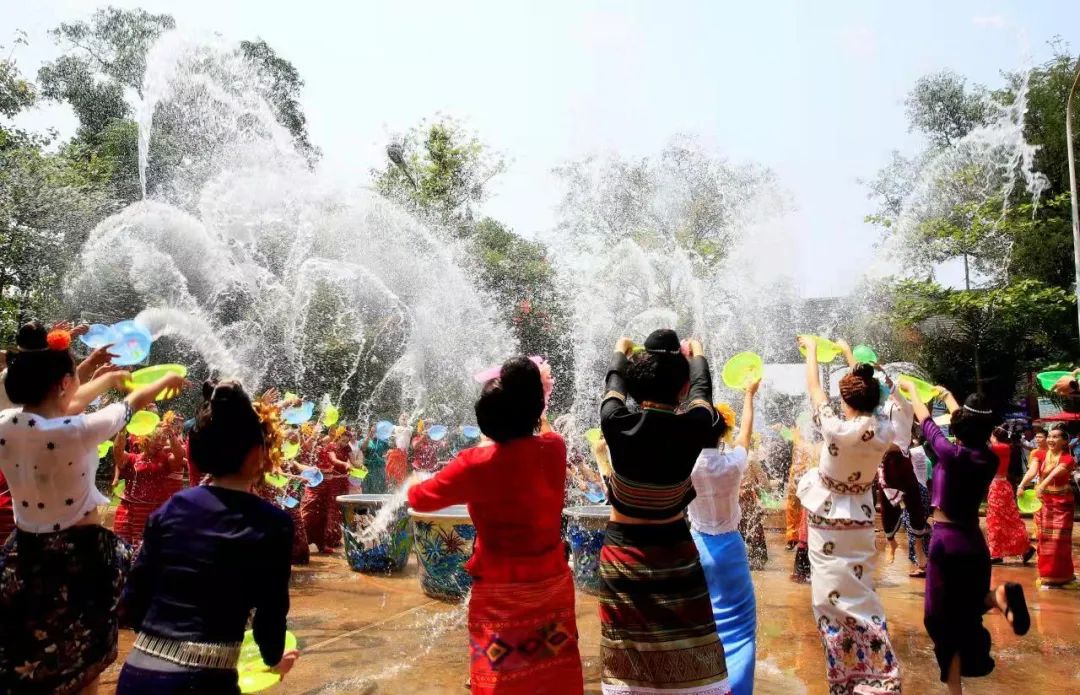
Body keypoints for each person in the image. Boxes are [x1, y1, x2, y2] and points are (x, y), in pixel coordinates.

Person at [0, 321, 186, 695]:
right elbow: (129, 407)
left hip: (23, 553)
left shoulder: (6, 424)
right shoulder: (76, 430)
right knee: (84, 662)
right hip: (79, 560)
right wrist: (160, 384)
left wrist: (107, 377)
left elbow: (64, 405)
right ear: (63, 383)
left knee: (35, 656)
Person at [407, 357, 582, 695]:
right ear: (535, 409)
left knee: (500, 677)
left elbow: (419, 498)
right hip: (551, 584)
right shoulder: (555, 449)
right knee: (553, 674)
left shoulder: (474, 464)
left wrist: (416, 480)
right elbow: (542, 430)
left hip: (500, 592)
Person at [116, 379, 299, 693]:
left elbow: (132, 602)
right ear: (259, 453)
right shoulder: (272, 524)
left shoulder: (171, 508)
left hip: (136, 674)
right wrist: (272, 662)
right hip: (202, 681)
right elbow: (271, 616)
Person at [597, 330, 731, 694]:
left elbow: (613, 387)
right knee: (689, 637)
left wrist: (619, 351)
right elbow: (703, 390)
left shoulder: (615, 422)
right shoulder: (696, 425)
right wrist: (698, 354)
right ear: (682, 387)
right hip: (675, 551)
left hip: (624, 554)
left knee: (626, 644)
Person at [903, 382, 1030, 694]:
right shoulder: (985, 458)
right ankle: (997, 597)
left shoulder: (951, 454)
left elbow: (926, 421)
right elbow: (964, 427)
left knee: (938, 618)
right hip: (974, 542)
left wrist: (913, 393)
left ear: (960, 426)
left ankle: (956, 687)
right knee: (967, 611)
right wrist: (947, 396)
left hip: (946, 544)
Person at [795, 337, 901, 695]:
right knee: (861, 592)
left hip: (826, 516)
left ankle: (848, 678)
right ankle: (879, 671)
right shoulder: (883, 430)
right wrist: (847, 354)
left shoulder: (835, 428)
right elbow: (874, 389)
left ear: (844, 400)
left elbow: (813, 387)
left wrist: (811, 351)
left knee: (829, 599)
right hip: (859, 518)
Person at [687, 379, 761, 695]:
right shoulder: (732, 464)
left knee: (700, 624)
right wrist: (748, 395)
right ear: (721, 434)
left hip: (696, 547)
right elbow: (745, 432)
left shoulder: (686, 467)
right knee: (741, 628)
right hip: (729, 547)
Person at [111, 414, 187, 552]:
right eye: (156, 438)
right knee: (122, 549)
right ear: (145, 439)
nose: (159, 443)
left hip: (153, 511)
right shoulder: (133, 459)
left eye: (162, 440)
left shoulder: (165, 460)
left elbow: (180, 455)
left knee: (147, 551)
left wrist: (171, 435)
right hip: (128, 510)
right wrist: (121, 430)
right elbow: (117, 452)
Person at [1019, 423, 1076, 586]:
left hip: (1062, 503)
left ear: (1064, 441)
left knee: (1059, 540)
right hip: (1045, 503)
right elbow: (1032, 471)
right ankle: (1047, 575)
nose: (1051, 439)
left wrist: (1043, 485)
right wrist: (1022, 484)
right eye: (1050, 436)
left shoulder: (1068, 458)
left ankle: (1063, 575)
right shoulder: (1040, 455)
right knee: (1045, 539)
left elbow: (1057, 472)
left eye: (1055, 437)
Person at [986, 427, 1035, 564]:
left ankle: (1003, 552)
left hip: (998, 487)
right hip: (1000, 485)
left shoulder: (999, 447)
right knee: (1002, 519)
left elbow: (982, 448)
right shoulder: (1004, 447)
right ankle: (999, 552)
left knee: (999, 519)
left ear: (995, 436)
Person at [301, 428, 351, 554]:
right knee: (310, 511)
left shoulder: (328, 445)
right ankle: (302, 541)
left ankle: (321, 543)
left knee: (324, 512)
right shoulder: (309, 446)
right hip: (314, 483)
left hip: (328, 483)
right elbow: (302, 456)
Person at [361, 425, 390, 494]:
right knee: (367, 488)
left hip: (379, 468)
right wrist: (368, 438)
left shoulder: (382, 441)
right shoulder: (364, 440)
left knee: (380, 488)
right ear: (369, 432)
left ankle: (380, 504)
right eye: (372, 432)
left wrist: (385, 457)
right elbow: (363, 448)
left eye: (376, 432)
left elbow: (389, 449)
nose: (374, 433)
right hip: (368, 468)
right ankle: (367, 504)